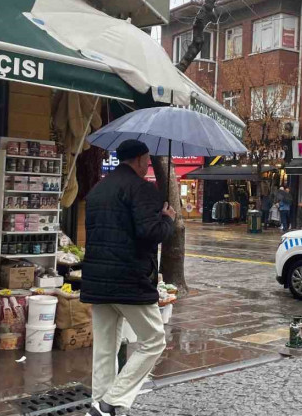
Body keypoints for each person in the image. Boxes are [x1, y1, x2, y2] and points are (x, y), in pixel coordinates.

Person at [82, 139, 176, 416]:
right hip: (129, 279)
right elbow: (150, 233)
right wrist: (167, 219)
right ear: (137, 160)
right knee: (154, 340)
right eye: (146, 159)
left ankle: (99, 406)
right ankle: (114, 398)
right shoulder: (142, 189)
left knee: (104, 347)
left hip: (97, 279)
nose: (148, 164)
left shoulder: (98, 189)